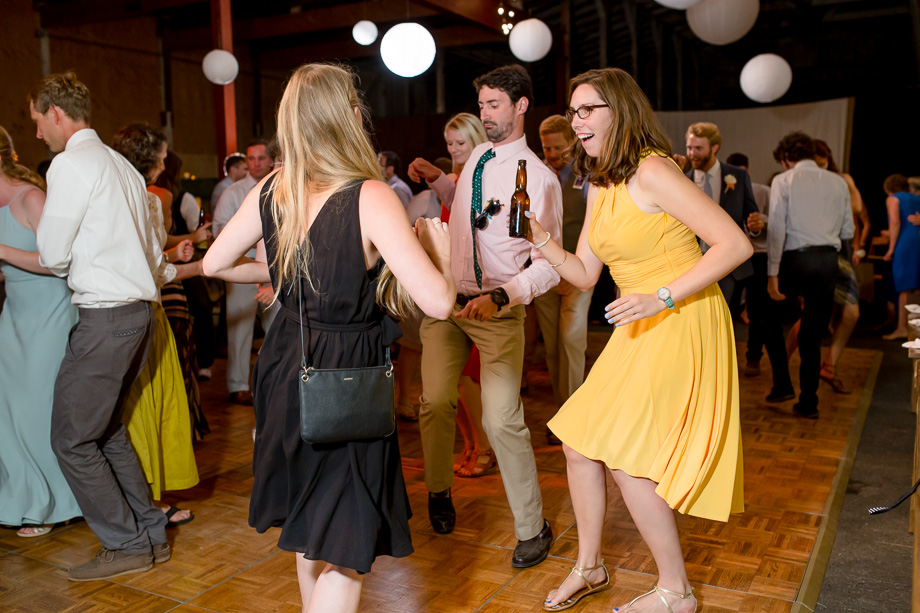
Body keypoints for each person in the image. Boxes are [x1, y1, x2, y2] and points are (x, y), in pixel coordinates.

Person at [202, 63, 455, 612]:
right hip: (346, 375)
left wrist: (281, 277)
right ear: (350, 116)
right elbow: (439, 301)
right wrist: (443, 257)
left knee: (310, 518)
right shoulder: (370, 196)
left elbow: (215, 262)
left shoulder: (272, 187)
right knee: (348, 538)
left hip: (284, 364)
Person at [529, 67, 748, 612]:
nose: (576, 121)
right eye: (573, 111)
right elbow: (582, 272)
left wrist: (663, 297)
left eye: (586, 111)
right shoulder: (601, 180)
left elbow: (733, 244)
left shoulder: (653, 171)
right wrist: (540, 241)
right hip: (639, 324)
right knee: (579, 444)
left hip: (682, 317)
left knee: (626, 457)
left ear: (618, 112)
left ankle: (677, 592)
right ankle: (591, 567)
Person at [407, 64, 563, 568]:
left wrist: (502, 297)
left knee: (501, 419)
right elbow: (463, 207)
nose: (485, 114)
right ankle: (437, 491)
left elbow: (551, 266)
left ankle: (532, 527)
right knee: (432, 402)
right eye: (481, 105)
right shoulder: (475, 157)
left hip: (498, 311)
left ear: (520, 106)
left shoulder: (539, 179)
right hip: (448, 304)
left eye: (494, 105)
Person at [31, 71, 170, 580]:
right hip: (140, 316)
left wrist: (76, 264)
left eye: (38, 121)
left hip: (107, 317)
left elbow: (50, 253)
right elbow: (154, 255)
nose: (38, 133)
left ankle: (127, 543)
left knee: (70, 439)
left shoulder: (70, 165)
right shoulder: (123, 167)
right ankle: (149, 532)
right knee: (106, 431)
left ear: (57, 114)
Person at [111, 123, 201, 525]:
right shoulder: (146, 200)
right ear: (149, 160)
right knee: (149, 403)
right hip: (145, 310)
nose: (166, 162)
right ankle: (148, 498)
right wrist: (199, 265)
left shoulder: (112, 193)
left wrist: (171, 251)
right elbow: (154, 272)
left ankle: (139, 494)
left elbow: (144, 258)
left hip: (110, 311)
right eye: (162, 156)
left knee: (133, 405)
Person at [0, 125, 81, 538]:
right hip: (13, 314)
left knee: (36, 408)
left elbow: (59, 260)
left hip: (49, 311)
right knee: (9, 412)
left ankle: (54, 504)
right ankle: (21, 499)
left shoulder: (30, 198)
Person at [766, 132, 853, 419]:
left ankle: (782, 384)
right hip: (827, 261)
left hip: (794, 260)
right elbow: (847, 231)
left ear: (786, 158)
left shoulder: (784, 179)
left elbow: (777, 228)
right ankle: (809, 402)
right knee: (813, 336)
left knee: (768, 320)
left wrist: (772, 273)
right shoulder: (838, 181)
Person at [783, 140, 870, 390]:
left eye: (823, 161)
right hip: (819, 257)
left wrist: (840, 185)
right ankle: (782, 367)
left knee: (851, 313)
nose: (819, 165)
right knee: (810, 319)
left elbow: (856, 208)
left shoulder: (840, 180)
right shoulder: (804, 181)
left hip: (841, 253)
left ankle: (829, 365)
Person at [438, 113, 495, 477]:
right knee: (453, 380)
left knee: (469, 379)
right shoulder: (454, 183)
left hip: (482, 290)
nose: (455, 149)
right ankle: (473, 444)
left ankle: (485, 448)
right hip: (451, 288)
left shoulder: (484, 184)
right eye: (450, 143)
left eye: (461, 143)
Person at [533, 114, 592, 421]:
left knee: (570, 342)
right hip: (544, 274)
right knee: (553, 348)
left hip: (578, 272)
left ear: (572, 142)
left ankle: (574, 417)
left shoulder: (588, 175)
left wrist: (573, 271)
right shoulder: (538, 176)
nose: (553, 155)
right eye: (547, 149)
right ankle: (563, 413)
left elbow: (594, 229)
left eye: (558, 148)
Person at [213, 139, 279, 405]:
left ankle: (274, 381)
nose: (256, 163)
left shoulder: (281, 185)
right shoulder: (234, 192)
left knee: (277, 326)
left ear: (270, 160)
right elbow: (219, 228)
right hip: (242, 267)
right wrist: (246, 240)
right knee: (240, 328)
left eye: (261, 158)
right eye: (251, 159)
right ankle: (238, 385)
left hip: (275, 269)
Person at [685, 122, 763, 313]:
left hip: (726, 265)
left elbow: (750, 215)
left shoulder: (738, 176)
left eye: (698, 148)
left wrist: (755, 226)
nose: (692, 153)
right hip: (690, 264)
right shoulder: (681, 179)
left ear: (715, 147)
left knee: (719, 316)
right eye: (689, 147)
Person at [882, 174, 920, 339]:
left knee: (904, 286)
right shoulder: (916, 198)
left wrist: (890, 249)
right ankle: (914, 329)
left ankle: (902, 327)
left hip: (906, 243)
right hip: (917, 239)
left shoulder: (893, 198)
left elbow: (895, 222)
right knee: (916, 285)